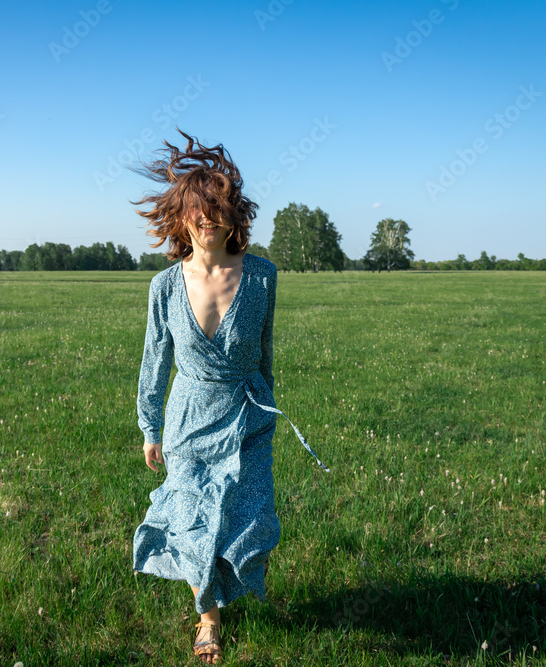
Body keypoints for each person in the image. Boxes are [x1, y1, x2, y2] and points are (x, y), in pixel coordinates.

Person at [130, 129, 327, 663]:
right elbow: (156, 361)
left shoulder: (263, 276)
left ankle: (225, 587)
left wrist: (266, 408)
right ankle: (208, 619)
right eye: (198, 209)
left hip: (247, 415)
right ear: (181, 218)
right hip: (189, 417)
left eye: (218, 207)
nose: (208, 218)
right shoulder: (164, 288)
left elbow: (265, 352)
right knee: (194, 521)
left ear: (233, 215)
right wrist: (150, 429)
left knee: (249, 521)